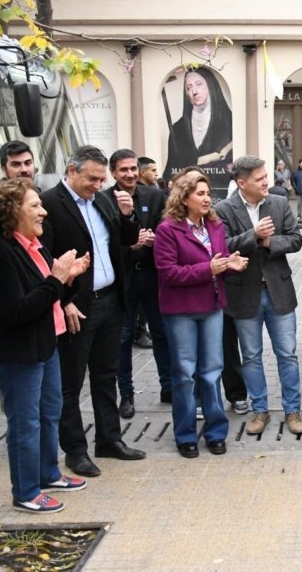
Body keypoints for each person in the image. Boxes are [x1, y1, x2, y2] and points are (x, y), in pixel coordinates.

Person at [0, 179, 90, 513]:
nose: (43, 211)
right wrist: (56, 278)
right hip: (17, 354)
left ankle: (48, 474)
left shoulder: (34, 245)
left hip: (45, 345)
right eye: (35, 206)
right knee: (25, 424)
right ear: (12, 211)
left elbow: (51, 299)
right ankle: (26, 492)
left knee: (49, 412)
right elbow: (16, 311)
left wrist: (69, 278)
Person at [39, 145, 146, 478]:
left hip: (110, 301)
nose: (99, 184)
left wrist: (128, 216)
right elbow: (43, 259)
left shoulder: (102, 200)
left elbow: (123, 242)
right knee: (70, 382)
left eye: (102, 178)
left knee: (105, 374)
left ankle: (109, 440)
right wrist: (63, 300)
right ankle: (75, 450)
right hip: (76, 307)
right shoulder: (49, 203)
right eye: (92, 178)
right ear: (71, 171)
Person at [153, 171, 248, 458]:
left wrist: (228, 263)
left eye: (208, 194)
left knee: (211, 372)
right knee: (184, 374)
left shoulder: (215, 226)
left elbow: (217, 259)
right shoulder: (168, 230)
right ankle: (185, 436)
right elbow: (168, 272)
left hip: (212, 307)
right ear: (184, 198)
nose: (207, 199)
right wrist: (209, 269)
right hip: (181, 310)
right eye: (200, 194)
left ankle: (216, 432)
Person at [215, 156, 302, 436]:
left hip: (278, 291)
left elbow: (295, 239)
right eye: (259, 178)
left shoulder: (278, 203)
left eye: (266, 176)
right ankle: (260, 410)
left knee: (287, 354)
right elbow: (222, 246)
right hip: (244, 294)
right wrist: (252, 235)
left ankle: (292, 411)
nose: (267, 182)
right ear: (241, 183)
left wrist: (268, 241)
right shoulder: (223, 209)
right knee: (251, 357)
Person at [106, 149, 171, 419]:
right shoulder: (103, 200)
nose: (130, 174)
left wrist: (156, 240)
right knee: (122, 338)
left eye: (133, 168)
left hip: (153, 276)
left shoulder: (155, 195)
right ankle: (127, 395)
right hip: (123, 280)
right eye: (124, 170)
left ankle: (168, 388)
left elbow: (166, 229)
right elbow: (107, 245)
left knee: (161, 333)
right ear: (113, 173)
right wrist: (132, 246)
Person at [164, 67, 233, 179]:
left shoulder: (229, 122)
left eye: (199, 84)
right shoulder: (178, 129)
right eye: (189, 88)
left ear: (210, 85)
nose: (194, 92)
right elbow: (170, 171)